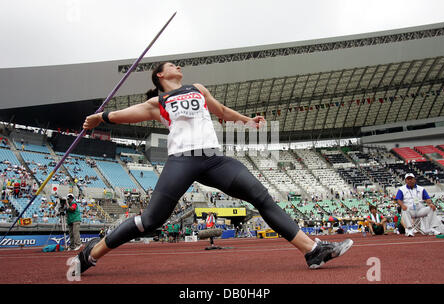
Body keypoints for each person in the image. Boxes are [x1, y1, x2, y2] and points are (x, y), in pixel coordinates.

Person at [71, 61, 353, 276]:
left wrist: (248, 122)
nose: (178, 66)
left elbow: (223, 112)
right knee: (150, 221)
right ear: (160, 75)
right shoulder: (158, 102)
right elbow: (125, 115)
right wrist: (101, 116)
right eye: (172, 65)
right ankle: (91, 255)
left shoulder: (198, 89)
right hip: (182, 160)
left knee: (260, 196)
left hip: (213, 159)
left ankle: (313, 251)